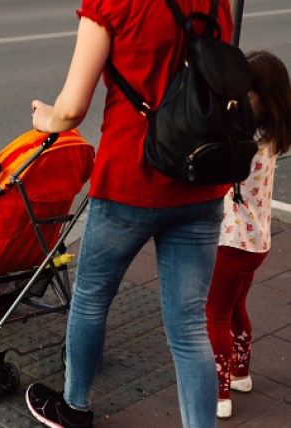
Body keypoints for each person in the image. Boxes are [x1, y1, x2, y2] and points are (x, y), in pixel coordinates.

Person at [24, 1, 236, 427]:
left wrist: (46, 118)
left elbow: (71, 109)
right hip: (201, 174)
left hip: (131, 178)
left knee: (91, 298)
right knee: (190, 326)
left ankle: (74, 407)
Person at [205, 50, 291, 420]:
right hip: (256, 239)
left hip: (232, 240)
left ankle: (219, 392)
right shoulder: (270, 133)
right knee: (235, 308)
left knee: (215, 314)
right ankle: (240, 373)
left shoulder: (244, 140)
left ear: (263, 98)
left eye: (245, 91)